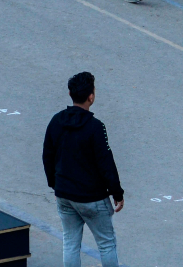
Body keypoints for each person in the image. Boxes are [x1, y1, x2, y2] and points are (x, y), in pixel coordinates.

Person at [42, 72, 124, 267]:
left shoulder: (56, 121)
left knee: (70, 243)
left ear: (70, 94)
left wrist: (55, 185)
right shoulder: (95, 127)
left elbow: (47, 156)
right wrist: (117, 193)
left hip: (65, 194)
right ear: (91, 97)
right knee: (106, 244)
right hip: (92, 197)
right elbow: (106, 163)